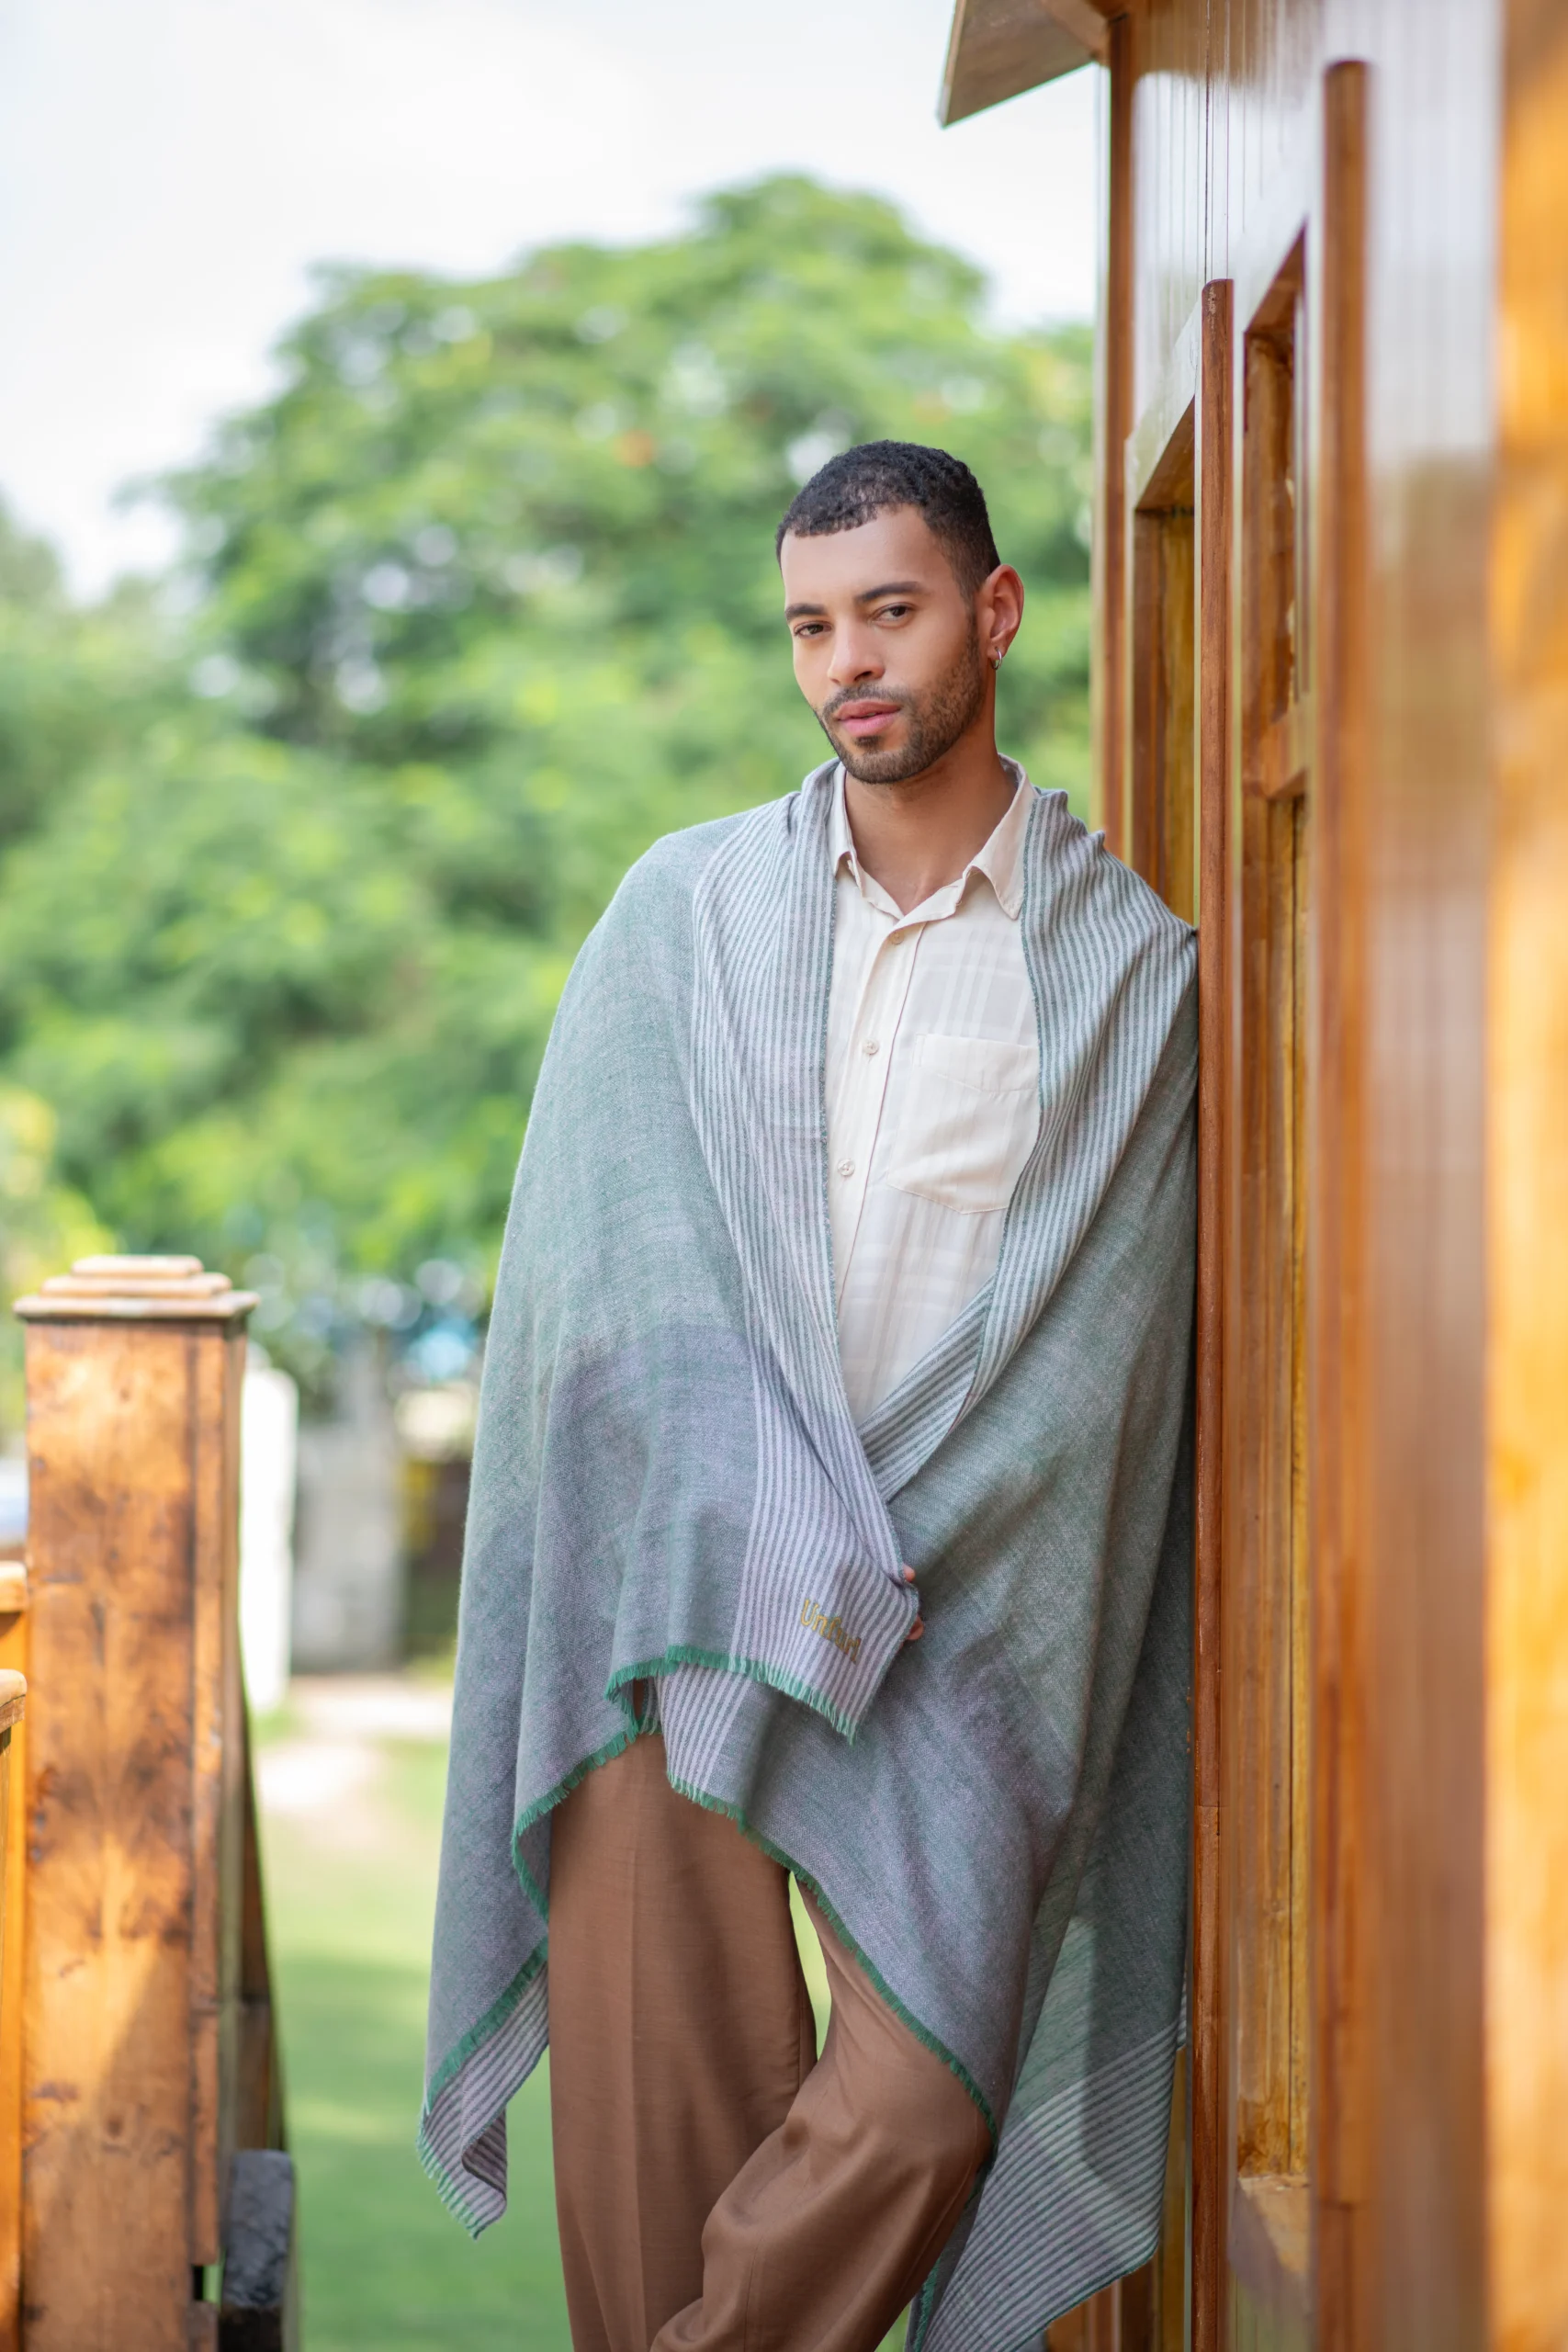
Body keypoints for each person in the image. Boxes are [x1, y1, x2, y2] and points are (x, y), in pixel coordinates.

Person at [422, 442, 1197, 2352]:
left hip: (963, 1609)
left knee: (926, 2104)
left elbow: (1103, 1352)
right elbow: (588, 1291)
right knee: (649, 2170)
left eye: (892, 609)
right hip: (676, 1593)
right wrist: (708, 1490)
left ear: (993, 614)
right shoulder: (677, 917)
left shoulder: (1124, 973)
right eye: (811, 623)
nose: (847, 659)